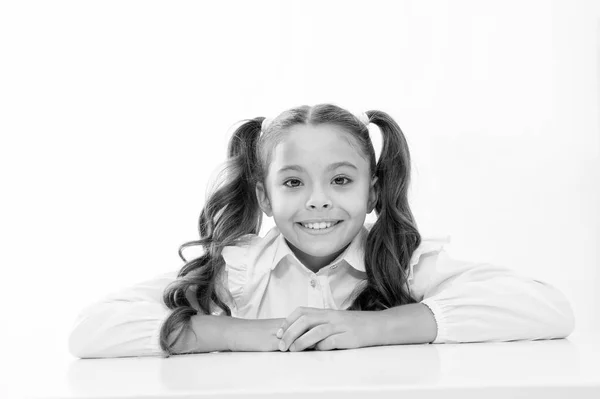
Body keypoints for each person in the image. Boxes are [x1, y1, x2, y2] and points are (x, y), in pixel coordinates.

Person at [68, 103, 575, 359]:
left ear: (373, 191)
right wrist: (227, 331)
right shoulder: (238, 275)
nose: (317, 199)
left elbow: (549, 307)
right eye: (293, 182)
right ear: (266, 198)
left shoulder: (403, 263)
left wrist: (374, 327)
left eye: (340, 179)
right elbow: (90, 330)